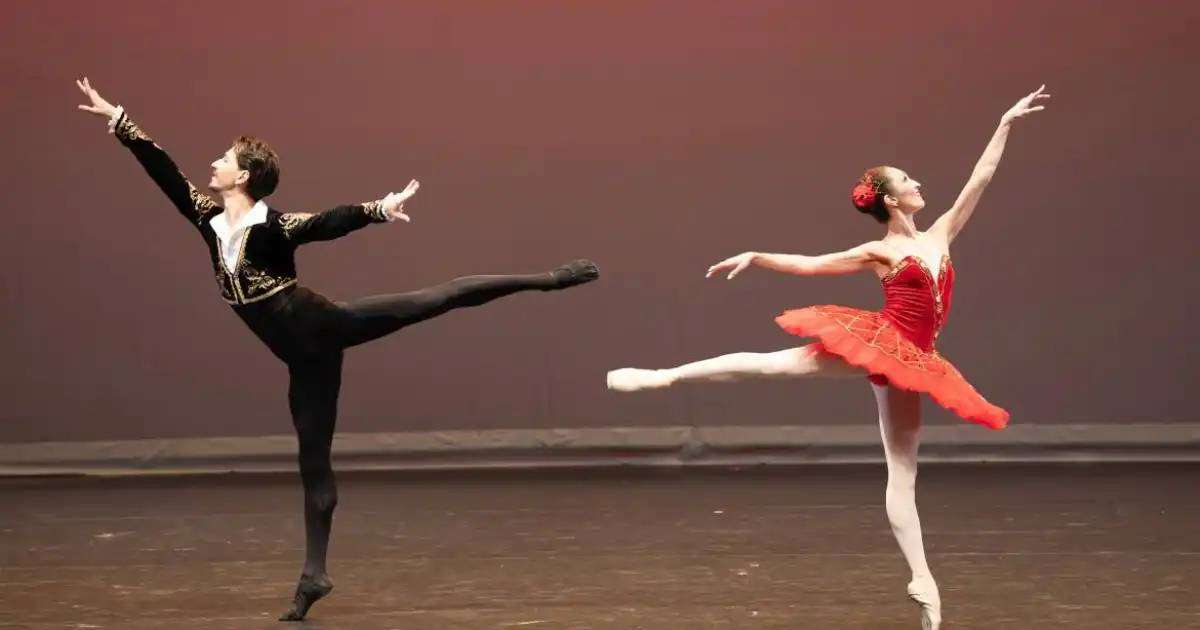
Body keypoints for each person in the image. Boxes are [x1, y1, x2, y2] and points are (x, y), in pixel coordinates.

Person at [76, 77, 599, 621]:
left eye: (224, 158)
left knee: (437, 298)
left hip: (326, 325)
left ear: (245, 176)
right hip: (305, 361)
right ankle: (314, 576)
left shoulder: (274, 227)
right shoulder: (209, 221)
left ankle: (549, 279)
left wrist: (377, 209)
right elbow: (164, 172)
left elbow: (325, 222)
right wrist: (120, 121)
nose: (214, 163)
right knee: (313, 465)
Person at [607, 85, 1050, 629]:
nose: (919, 184)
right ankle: (663, 376)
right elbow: (812, 264)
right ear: (890, 198)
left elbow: (979, 180)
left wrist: (1004, 122)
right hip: (879, 342)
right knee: (772, 364)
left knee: (903, 473)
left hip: (916, 360)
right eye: (907, 180)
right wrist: (758, 255)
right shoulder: (879, 251)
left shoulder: (942, 234)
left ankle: (922, 580)